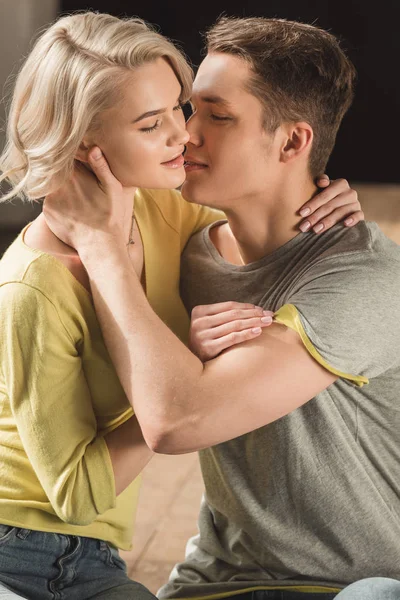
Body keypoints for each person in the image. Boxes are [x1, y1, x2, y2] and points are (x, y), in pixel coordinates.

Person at [0, 11, 362, 600]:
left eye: (182, 107)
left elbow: (267, 207)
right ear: (83, 145)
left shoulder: (161, 211)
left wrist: (327, 195)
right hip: (21, 549)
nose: (184, 135)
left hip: (92, 561)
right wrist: (183, 365)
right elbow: (78, 498)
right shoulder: (33, 286)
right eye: (151, 125)